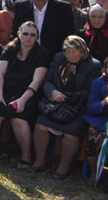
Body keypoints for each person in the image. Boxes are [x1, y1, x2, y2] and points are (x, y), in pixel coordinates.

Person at [0, 20, 49, 167]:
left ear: (37, 37)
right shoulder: (9, 49)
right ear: (19, 34)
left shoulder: (41, 53)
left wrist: (22, 100)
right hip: (5, 90)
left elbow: (37, 81)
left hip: (28, 94)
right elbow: (0, 74)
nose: (28, 37)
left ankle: (26, 156)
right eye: (25, 34)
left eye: (32, 35)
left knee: (19, 119)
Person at [31, 36, 100, 179]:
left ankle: (64, 166)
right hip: (54, 102)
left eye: (73, 51)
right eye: (67, 51)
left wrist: (64, 96)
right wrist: (52, 92)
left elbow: (88, 91)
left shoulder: (93, 65)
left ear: (82, 51)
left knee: (71, 134)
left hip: (77, 105)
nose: (69, 55)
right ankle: (40, 160)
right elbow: (47, 80)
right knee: (41, 125)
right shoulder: (58, 59)